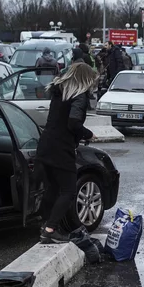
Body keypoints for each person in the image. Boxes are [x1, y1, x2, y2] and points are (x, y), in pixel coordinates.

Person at [34, 62, 97, 243]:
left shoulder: (59, 92)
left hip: (46, 144)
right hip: (61, 148)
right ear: (86, 79)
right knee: (68, 190)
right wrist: (88, 134)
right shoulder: (79, 96)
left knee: (52, 189)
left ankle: (46, 225)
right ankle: (50, 229)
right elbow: (73, 123)